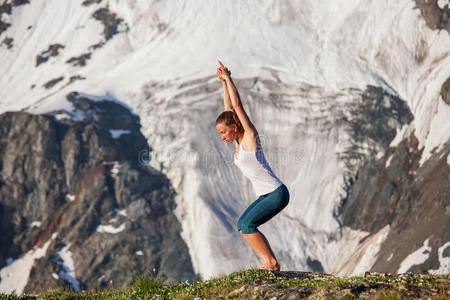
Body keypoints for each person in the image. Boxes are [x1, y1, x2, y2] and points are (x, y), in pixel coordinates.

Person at [215, 61, 290, 272]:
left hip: (276, 193)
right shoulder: (238, 141)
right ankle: (270, 261)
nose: (222, 137)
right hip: (266, 195)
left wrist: (230, 79)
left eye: (223, 132)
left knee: (247, 225)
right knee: (243, 226)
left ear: (235, 127)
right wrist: (223, 82)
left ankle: (271, 263)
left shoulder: (249, 138)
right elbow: (228, 109)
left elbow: (237, 108)